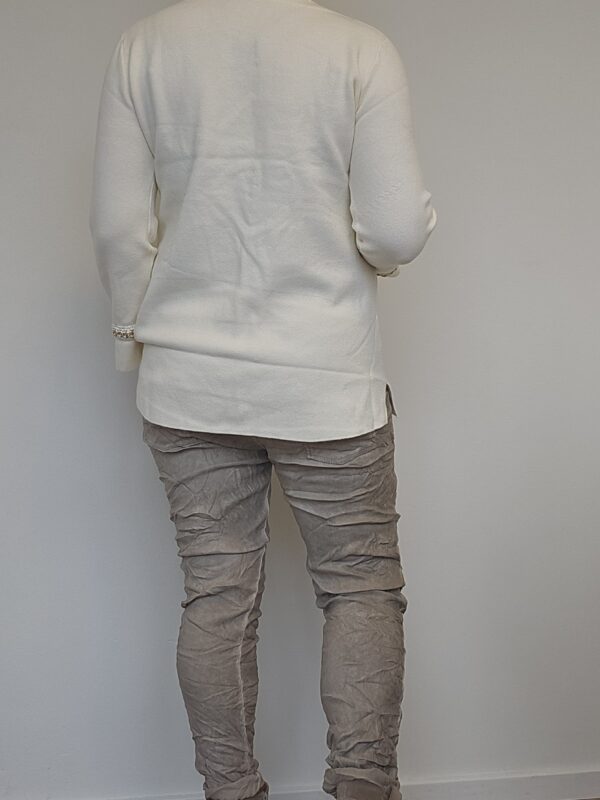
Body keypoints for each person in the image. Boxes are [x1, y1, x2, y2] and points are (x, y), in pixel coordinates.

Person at [88, 1, 437, 800]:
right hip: (326, 377)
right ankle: (363, 788)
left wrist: (134, 334)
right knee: (359, 587)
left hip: (189, 383)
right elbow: (393, 229)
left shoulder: (145, 47)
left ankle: (230, 790)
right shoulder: (359, 49)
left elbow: (117, 227)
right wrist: (385, 250)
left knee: (216, 596)